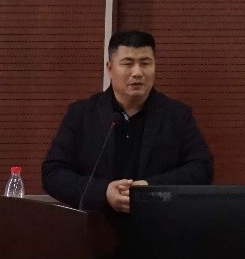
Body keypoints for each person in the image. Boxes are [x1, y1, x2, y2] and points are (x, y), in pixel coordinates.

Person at [42, 30, 213, 212]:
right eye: (128, 63)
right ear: (110, 68)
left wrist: (149, 189)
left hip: (159, 223)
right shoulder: (82, 114)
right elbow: (53, 173)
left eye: (145, 63)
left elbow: (202, 169)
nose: (137, 73)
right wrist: (103, 192)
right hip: (96, 224)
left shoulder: (177, 115)